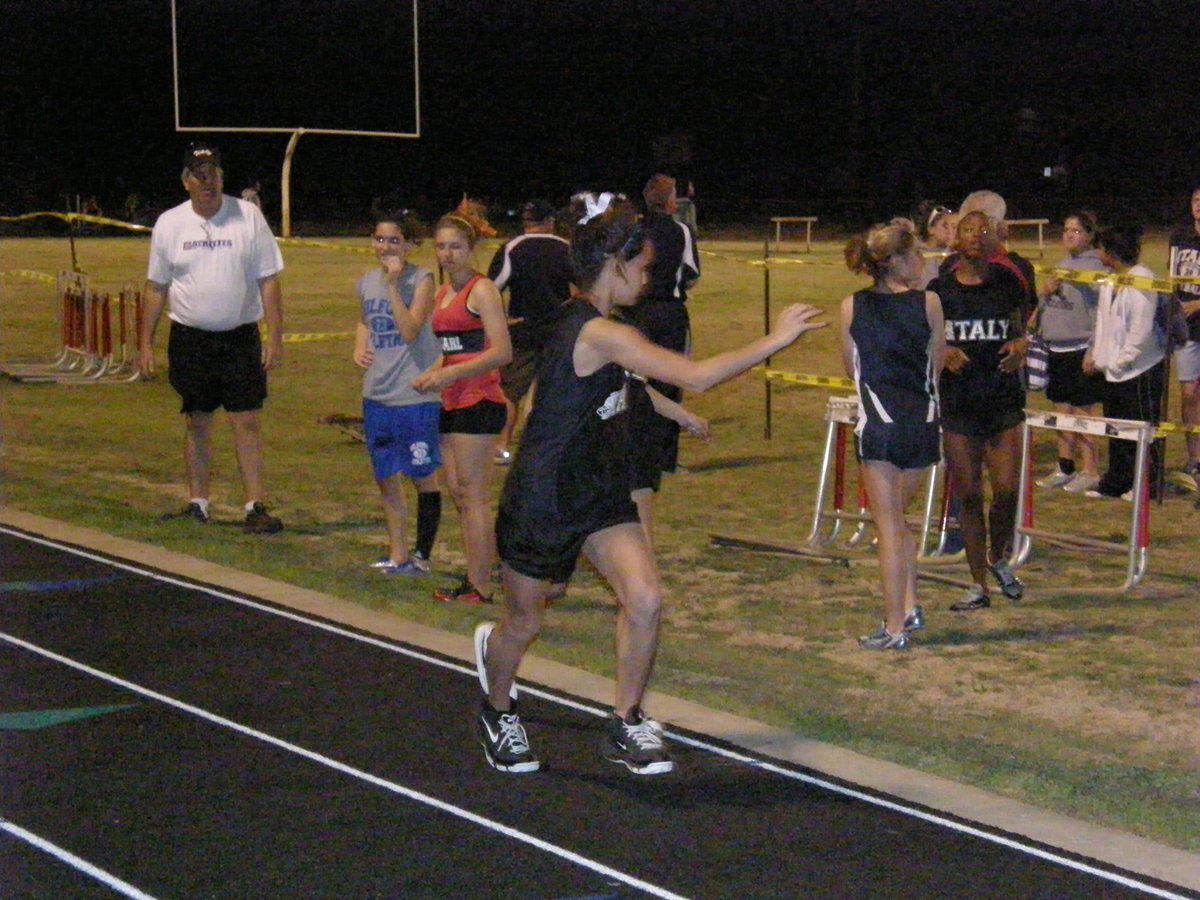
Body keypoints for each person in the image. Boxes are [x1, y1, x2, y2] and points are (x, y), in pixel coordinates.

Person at [471, 192, 825, 775]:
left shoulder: (604, 325)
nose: (650, 275)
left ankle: (626, 721)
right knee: (526, 621)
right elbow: (699, 375)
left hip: (599, 491)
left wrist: (671, 411)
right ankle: (497, 707)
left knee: (646, 598)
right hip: (545, 498)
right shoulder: (596, 329)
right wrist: (776, 339)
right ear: (615, 263)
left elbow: (627, 378)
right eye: (644, 265)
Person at [140, 142, 285, 534]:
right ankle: (198, 503)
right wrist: (144, 344)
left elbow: (269, 279)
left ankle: (255, 505)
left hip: (240, 337)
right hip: (190, 338)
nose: (209, 183)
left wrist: (275, 337)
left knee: (248, 419)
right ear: (186, 182)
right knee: (198, 421)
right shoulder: (170, 224)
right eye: (200, 176)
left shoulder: (248, 216)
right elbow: (156, 287)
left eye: (215, 175)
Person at [841, 219, 944, 651]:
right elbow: (934, 367)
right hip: (922, 423)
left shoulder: (851, 306)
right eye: (917, 254)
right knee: (898, 521)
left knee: (888, 525)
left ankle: (894, 626)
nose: (923, 261)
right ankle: (910, 603)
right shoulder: (931, 304)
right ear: (896, 261)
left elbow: (852, 369)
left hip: (880, 427)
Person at [928, 211, 1029, 612]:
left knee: (1005, 491)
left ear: (993, 239)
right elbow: (925, 337)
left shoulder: (1008, 282)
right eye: (968, 229)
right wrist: (943, 351)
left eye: (983, 229)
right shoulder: (939, 289)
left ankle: (998, 557)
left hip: (1003, 401)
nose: (976, 235)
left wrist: (1022, 345)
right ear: (957, 238)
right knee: (969, 494)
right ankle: (977, 584)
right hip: (959, 404)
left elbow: (1022, 328)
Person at [412, 206, 512, 604]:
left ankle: (482, 586)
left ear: (472, 249)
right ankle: (478, 574)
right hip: (452, 400)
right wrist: (433, 373)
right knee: (459, 492)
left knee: (474, 495)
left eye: (455, 247)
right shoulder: (443, 293)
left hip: (480, 398)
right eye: (441, 247)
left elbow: (501, 352)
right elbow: (453, 350)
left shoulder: (481, 290)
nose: (447, 254)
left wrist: (450, 375)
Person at [353, 209, 443, 576]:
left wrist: (393, 285)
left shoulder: (422, 279)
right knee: (387, 477)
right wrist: (360, 344)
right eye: (380, 239)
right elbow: (364, 319)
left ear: (409, 244)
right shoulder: (366, 281)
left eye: (394, 240)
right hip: (378, 394)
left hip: (414, 396)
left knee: (422, 474)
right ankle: (398, 554)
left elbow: (409, 330)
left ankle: (422, 554)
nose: (385, 246)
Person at [486, 199, 573, 465]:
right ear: (550, 222)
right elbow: (581, 290)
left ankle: (501, 447)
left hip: (522, 332)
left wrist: (500, 321)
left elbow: (489, 290)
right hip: (559, 332)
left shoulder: (512, 248)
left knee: (511, 393)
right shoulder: (566, 248)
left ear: (526, 222)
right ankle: (543, 450)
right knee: (548, 393)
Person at [1083, 226, 1166, 499]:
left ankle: (1145, 485)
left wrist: (1119, 362)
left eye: (1102, 248)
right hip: (1113, 371)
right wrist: (1096, 354)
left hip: (1140, 370)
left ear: (1113, 251)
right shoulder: (1109, 279)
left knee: (1141, 430)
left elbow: (1139, 332)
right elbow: (1103, 322)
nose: (1098, 253)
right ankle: (1115, 483)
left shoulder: (1142, 280)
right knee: (1117, 432)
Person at [628, 173, 701, 477]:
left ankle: (634, 453)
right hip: (670, 315)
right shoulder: (681, 231)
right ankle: (666, 461)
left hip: (636, 315)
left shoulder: (634, 230)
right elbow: (692, 275)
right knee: (670, 383)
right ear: (670, 200)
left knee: (634, 384)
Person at [1031, 211, 1108, 493]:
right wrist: (1045, 292)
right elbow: (1043, 309)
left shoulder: (1098, 266)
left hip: (1079, 348)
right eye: (1066, 230)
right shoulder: (1061, 265)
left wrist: (1093, 349)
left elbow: (1103, 311)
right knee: (1061, 408)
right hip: (1056, 348)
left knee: (1083, 410)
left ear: (1089, 236)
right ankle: (1064, 466)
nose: (1069, 235)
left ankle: (1090, 469)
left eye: (1076, 231)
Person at [1166, 186, 1200, 490]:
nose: (1199, 205)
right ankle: (1194, 460)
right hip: (1188, 331)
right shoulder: (1180, 238)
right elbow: (1172, 279)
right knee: (1188, 395)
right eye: (1195, 199)